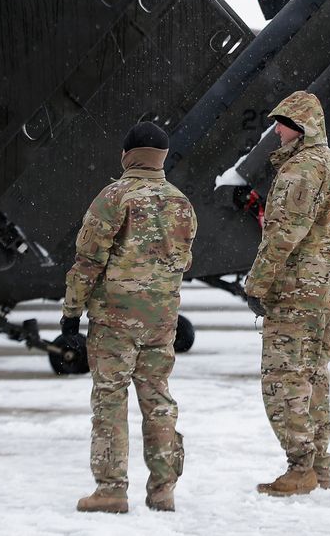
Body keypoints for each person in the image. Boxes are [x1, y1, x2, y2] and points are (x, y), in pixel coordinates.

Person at [60, 121, 197, 515]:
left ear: (127, 155)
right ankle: (163, 490)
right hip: (161, 321)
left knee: (110, 400)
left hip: (114, 322)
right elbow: (182, 262)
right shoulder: (181, 203)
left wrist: (71, 312)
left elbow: (87, 262)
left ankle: (111, 488)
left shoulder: (114, 197)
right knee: (158, 401)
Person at [243, 91, 330, 497]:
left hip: (296, 293)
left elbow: (282, 236)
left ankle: (300, 466)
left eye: (284, 122)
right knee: (314, 376)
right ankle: (320, 465)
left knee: (282, 379)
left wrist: (257, 284)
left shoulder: (299, 171)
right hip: (326, 291)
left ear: (302, 126)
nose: (276, 129)